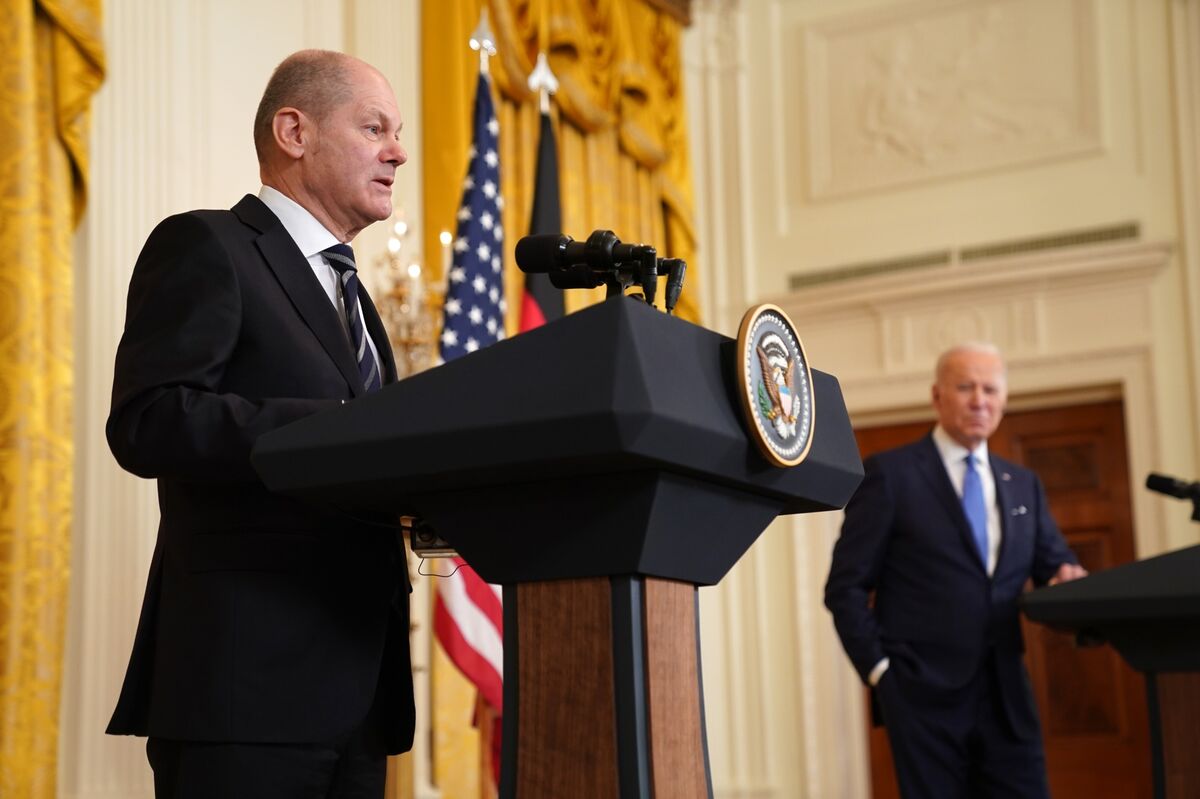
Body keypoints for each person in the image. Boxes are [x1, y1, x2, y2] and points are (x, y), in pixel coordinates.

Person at [106, 49, 413, 798]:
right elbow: (148, 418)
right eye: (374, 127)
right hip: (244, 693)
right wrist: (336, 430)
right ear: (294, 131)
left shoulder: (360, 303)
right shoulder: (209, 246)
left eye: (397, 133)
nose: (398, 151)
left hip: (361, 697)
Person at [824, 342, 1088, 799]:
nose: (979, 400)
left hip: (1007, 698)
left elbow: (1053, 563)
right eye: (965, 387)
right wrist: (881, 672)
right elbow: (844, 587)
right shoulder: (891, 474)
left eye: (990, 388)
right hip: (921, 697)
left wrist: (1069, 576)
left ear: (1004, 399)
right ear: (937, 396)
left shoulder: (1023, 483)